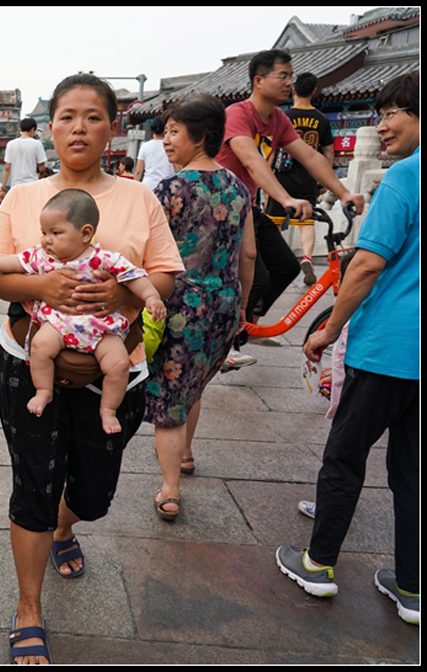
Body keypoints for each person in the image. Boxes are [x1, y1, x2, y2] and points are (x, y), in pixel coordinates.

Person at [0, 73, 183, 664]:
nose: (78, 127)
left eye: (93, 116)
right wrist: (44, 284)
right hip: (30, 361)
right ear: (50, 128)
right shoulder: (23, 198)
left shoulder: (139, 197)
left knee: (92, 494)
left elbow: (164, 274)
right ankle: (28, 608)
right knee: (33, 486)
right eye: (66, 116)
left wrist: (116, 302)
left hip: (115, 370)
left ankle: (69, 526)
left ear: (113, 125)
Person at [276, 72, 420, 626]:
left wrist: (328, 329)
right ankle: (412, 588)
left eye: (392, 114)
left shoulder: (405, 178)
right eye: (379, 113)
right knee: (412, 472)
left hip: (388, 348)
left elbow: (366, 262)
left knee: (344, 457)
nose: (379, 126)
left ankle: (318, 564)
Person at [214, 49, 364, 368]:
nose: (289, 83)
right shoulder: (238, 114)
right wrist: (286, 199)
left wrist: (344, 192)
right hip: (218, 208)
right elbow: (252, 162)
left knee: (286, 267)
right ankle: (222, 343)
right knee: (254, 279)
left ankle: (245, 329)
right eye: (282, 76)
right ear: (258, 80)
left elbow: (310, 156)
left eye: (290, 76)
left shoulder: (279, 119)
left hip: (246, 208)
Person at [0, 189, 166, 431]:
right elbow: (15, 261)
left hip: (100, 327)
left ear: (85, 233)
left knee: (118, 364)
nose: (46, 240)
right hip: (58, 325)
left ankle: (108, 409)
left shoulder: (104, 258)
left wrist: (151, 296)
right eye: (43, 233)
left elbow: (135, 277)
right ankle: (44, 391)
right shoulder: (42, 256)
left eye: (55, 233)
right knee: (40, 347)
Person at [146, 96, 256, 520]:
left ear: (201, 137)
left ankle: (170, 490)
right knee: (196, 383)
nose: (167, 140)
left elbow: (149, 253)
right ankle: (186, 455)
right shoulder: (237, 187)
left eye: (175, 132)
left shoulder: (171, 189)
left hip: (181, 305)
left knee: (170, 396)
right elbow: (248, 253)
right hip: (225, 302)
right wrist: (243, 306)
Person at [264, 72, 335, 285]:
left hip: (281, 177)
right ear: (314, 91)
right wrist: (324, 179)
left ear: (293, 90)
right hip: (308, 177)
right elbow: (329, 151)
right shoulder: (322, 119)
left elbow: (271, 150)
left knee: (275, 221)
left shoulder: (282, 117)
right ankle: (307, 258)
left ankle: (273, 261)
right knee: (307, 222)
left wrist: (264, 176)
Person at [0, 116, 46, 196]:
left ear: (20, 129)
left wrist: (3, 187)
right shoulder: (37, 144)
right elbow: (42, 167)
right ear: (32, 129)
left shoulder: (10, 144)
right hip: (32, 185)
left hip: (15, 186)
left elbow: (7, 168)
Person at [134, 117, 175, 191]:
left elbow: (138, 171)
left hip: (148, 185)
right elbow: (177, 168)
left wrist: (135, 186)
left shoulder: (145, 146)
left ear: (152, 130)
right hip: (166, 185)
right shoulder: (171, 146)